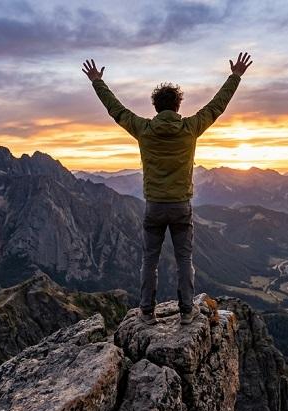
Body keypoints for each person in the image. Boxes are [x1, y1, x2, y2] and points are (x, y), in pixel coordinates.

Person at [81, 53, 252, 325]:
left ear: (156, 107)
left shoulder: (144, 129)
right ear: (178, 105)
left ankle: (147, 313)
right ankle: (187, 312)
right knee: (185, 260)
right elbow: (217, 106)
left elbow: (116, 110)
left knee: (149, 260)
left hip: (154, 206)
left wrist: (97, 82)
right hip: (181, 206)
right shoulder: (190, 128)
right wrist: (235, 76)